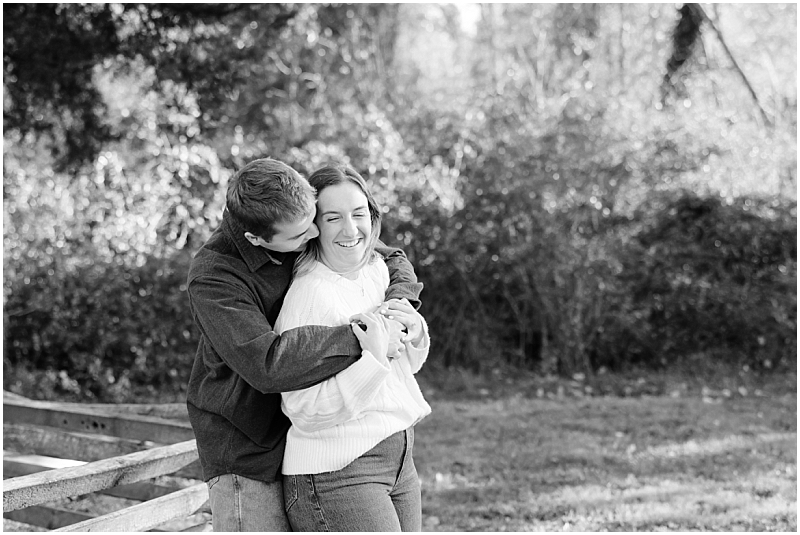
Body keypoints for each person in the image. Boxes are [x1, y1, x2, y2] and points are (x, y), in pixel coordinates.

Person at [185, 158, 423, 531]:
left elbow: (387, 253)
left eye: (315, 221)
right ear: (256, 239)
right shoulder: (215, 276)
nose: (314, 236)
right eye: (301, 235)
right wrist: (367, 335)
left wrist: (401, 302)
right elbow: (268, 364)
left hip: (310, 435)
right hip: (249, 446)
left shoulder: (290, 211)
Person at [274, 164, 431, 532]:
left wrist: (415, 331)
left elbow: (402, 370)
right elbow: (304, 410)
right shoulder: (310, 295)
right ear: (314, 227)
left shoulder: (376, 270)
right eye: (333, 218)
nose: (350, 229)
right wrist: (372, 359)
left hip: (399, 457)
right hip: (337, 473)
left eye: (358, 214)